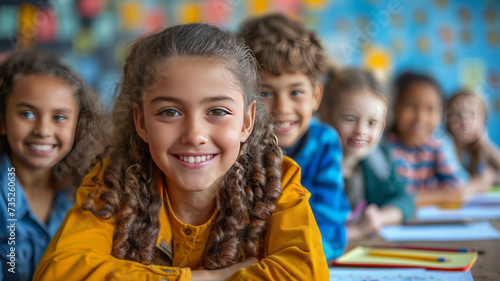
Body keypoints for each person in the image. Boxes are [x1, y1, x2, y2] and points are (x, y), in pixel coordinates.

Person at [34, 23, 329, 280]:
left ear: (247, 121)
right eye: (170, 112)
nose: (194, 135)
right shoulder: (112, 184)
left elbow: (306, 274)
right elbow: (60, 272)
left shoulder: (276, 183)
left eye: (217, 110)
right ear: (141, 121)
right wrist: (204, 278)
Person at [239, 14, 349, 260]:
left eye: (296, 92)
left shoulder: (324, 144)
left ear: (315, 97)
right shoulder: (235, 149)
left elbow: (326, 229)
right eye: (265, 92)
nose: (282, 107)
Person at [0, 50, 108, 281]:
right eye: (27, 114)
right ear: (2, 120)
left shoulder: (89, 196)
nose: (43, 131)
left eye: (59, 117)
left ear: (78, 126)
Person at [320, 68, 413, 241]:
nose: (361, 131)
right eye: (350, 119)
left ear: (382, 127)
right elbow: (308, 236)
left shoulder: (377, 159)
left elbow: (404, 198)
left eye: (371, 123)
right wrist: (357, 230)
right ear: (326, 114)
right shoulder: (314, 166)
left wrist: (378, 218)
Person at [383, 72, 465, 206]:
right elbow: (388, 197)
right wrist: (440, 195)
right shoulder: (385, 147)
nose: (420, 117)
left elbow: (458, 188)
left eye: (430, 109)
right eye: (411, 106)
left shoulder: (438, 144)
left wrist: (410, 199)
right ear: (394, 108)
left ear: (441, 114)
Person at [446, 89, 500, 193]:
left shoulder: (483, 150)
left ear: (483, 121)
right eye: (457, 115)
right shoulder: (444, 147)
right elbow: (456, 188)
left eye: (471, 114)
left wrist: (485, 144)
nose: (464, 121)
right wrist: (482, 182)